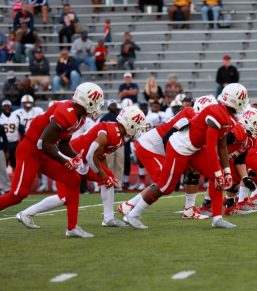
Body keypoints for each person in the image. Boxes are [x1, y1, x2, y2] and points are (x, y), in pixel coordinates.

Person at [120, 83, 249, 229]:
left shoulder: (228, 117)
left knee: (215, 176)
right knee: (166, 187)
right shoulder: (216, 113)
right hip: (179, 148)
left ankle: (217, 218)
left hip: (194, 148)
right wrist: (220, 171)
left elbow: (222, 145)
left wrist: (225, 171)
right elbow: (212, 146)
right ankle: (132, 214)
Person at [17, 106, 147, 228]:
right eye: (137, 126)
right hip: (70, 158)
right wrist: (103, 175)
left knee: (109, 179)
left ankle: (108, 218)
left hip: (82, 162)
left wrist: (106, 174)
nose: (138, 129)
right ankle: (26, 213)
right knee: (64, 197)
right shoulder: (113, 133)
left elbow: (100, 155)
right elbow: (91, 155)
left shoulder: (118, 135)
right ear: (130, 123)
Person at [3, 83, 104, 238]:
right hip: (30, 150)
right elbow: (42, 143)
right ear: (87, 102)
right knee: (18, 194)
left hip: (45, 152)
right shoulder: (68, 113)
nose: (97, 107)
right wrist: (65, 161)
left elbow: (62, 143)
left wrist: (74, 156)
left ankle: (72, 228)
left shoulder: (80, 118)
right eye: (96, 103)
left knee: (73, 180)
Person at [100, 100, 124, 192]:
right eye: (112, 105)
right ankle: (110, 184)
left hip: (120, 143)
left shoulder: (120, 118)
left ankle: (119, 186)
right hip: (109, 144)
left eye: (115, 105)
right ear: (108, 107)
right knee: (109, 165)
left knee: (120, 165)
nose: (113, 107)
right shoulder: (104, 118)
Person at [0, 99, 24, 170]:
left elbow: (22, 131)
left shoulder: (17, 116)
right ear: (2, 107)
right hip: (2, 144)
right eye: (5, 106)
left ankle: (15, 180)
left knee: (15, 164)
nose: (7, 108)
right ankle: (4, 181)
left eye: (8, 106)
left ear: (11, 107)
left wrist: (22, 142)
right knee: (3, 165)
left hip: (14, 143)